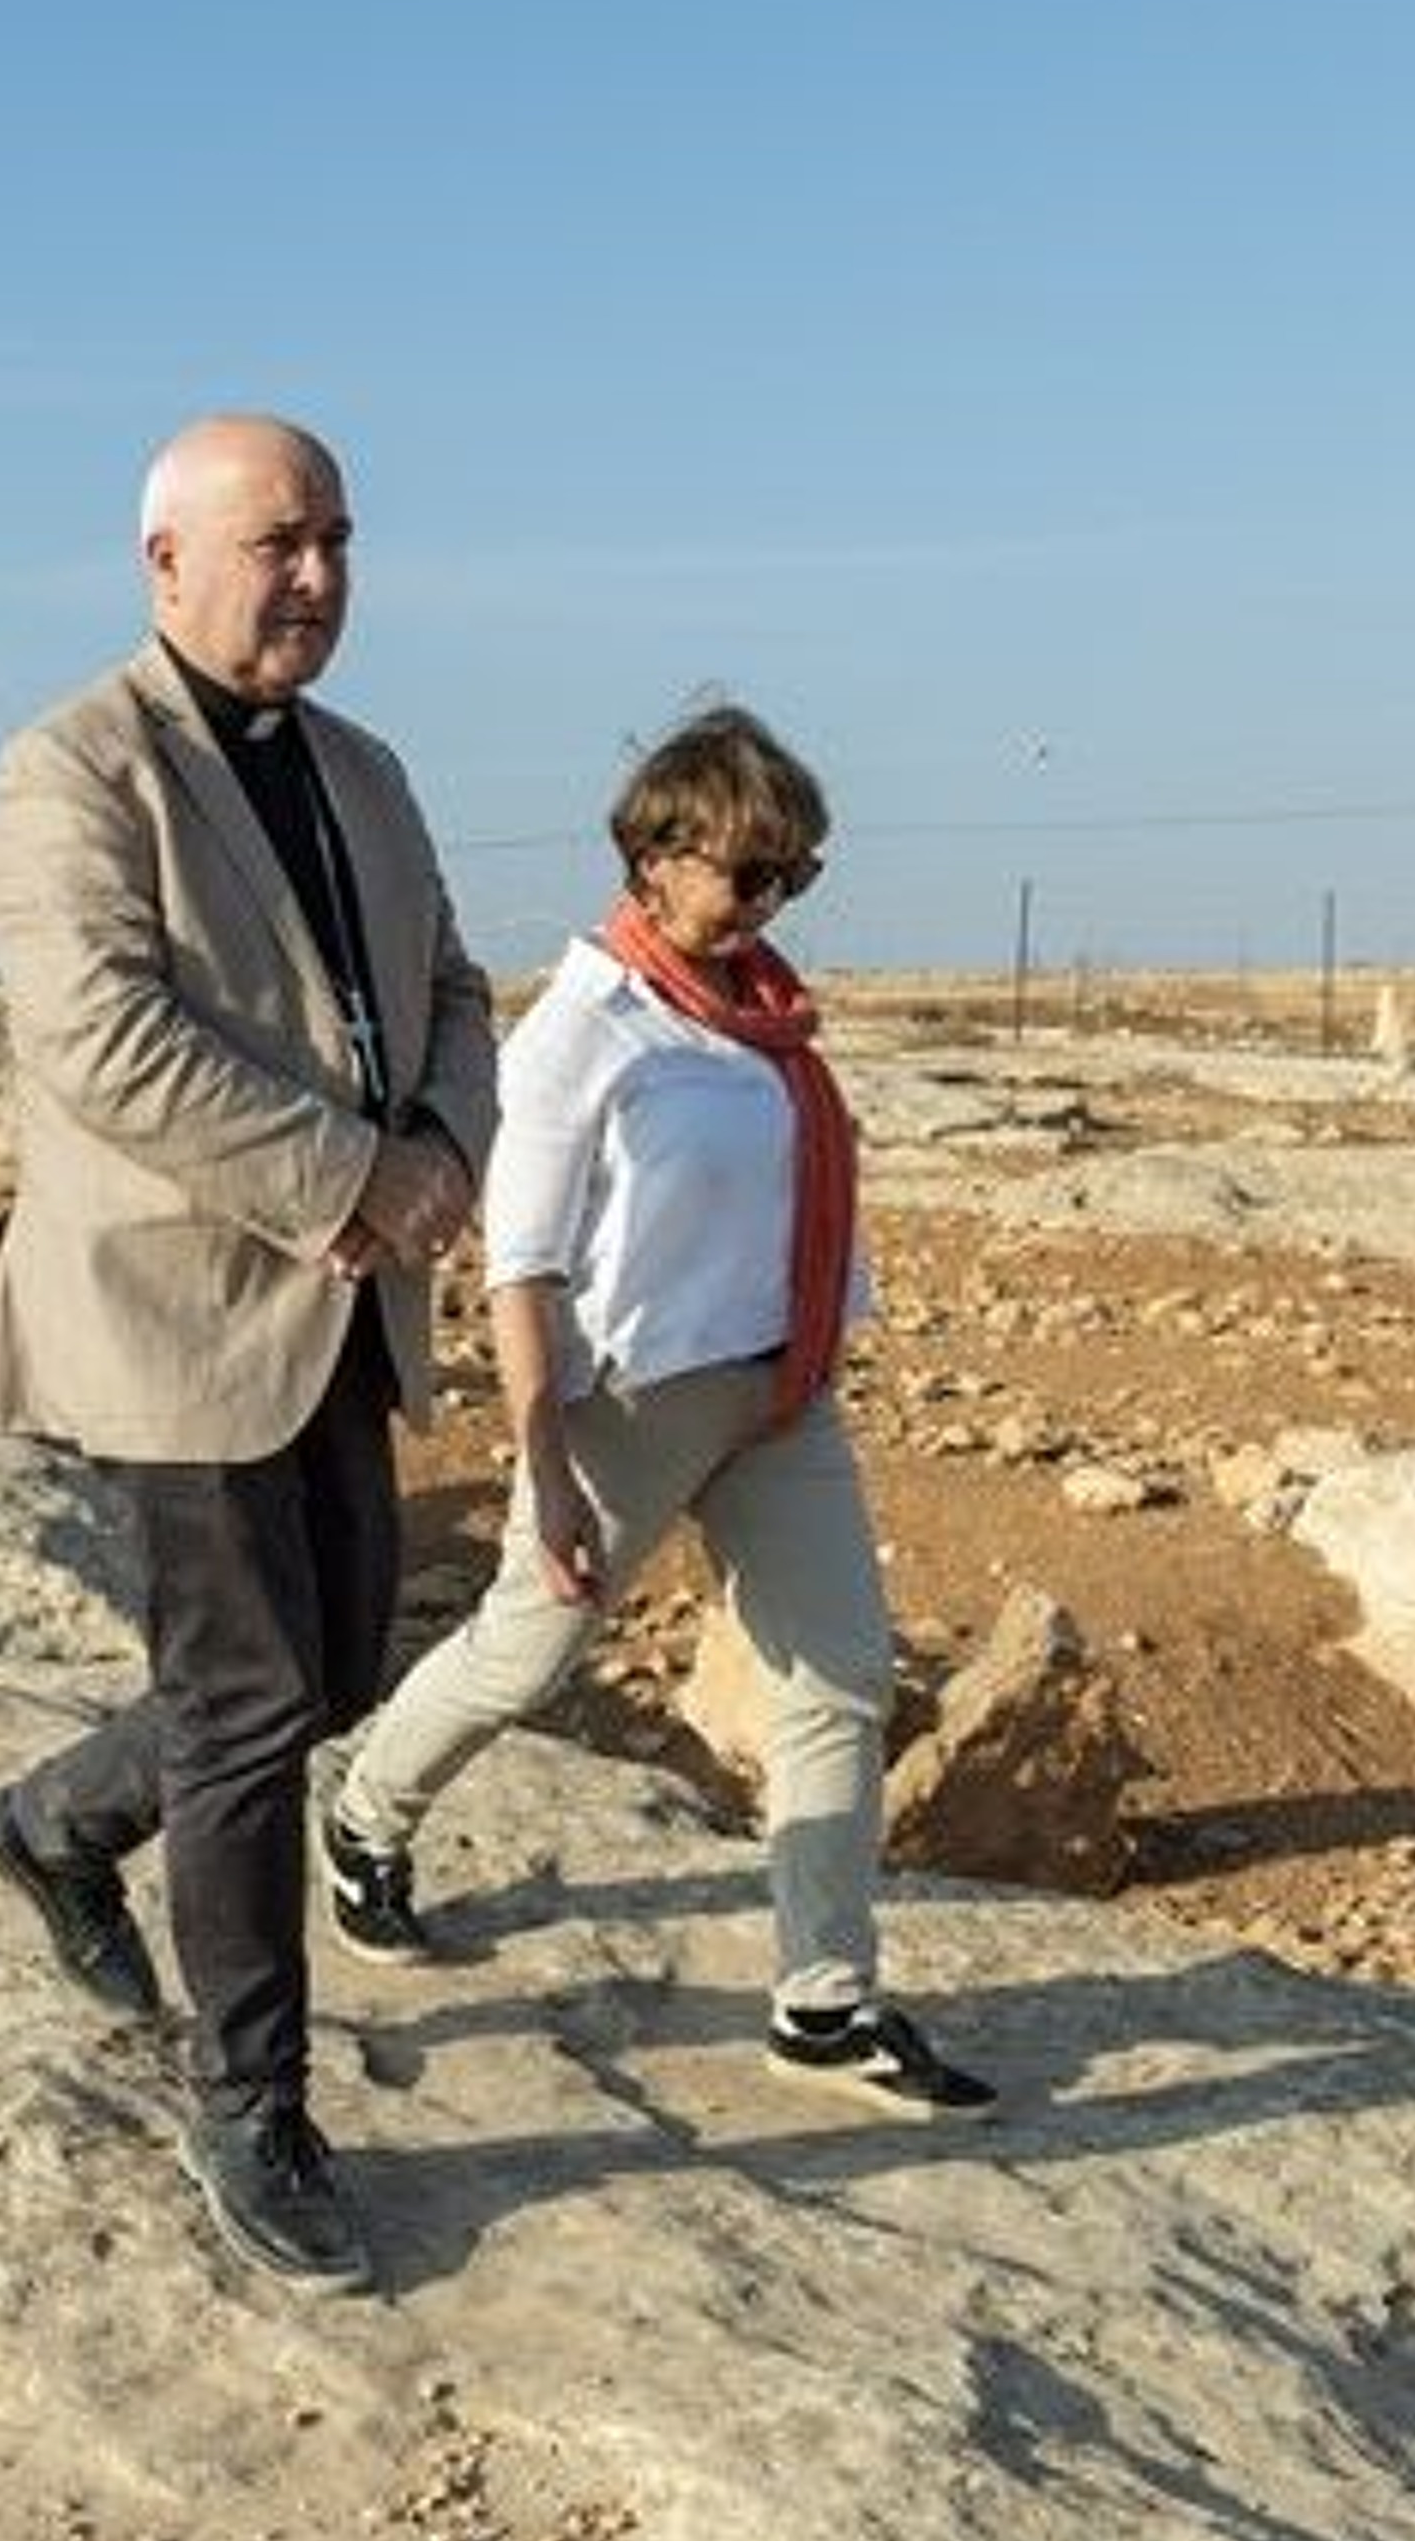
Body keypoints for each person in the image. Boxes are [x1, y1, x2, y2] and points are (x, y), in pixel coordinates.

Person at [0, 413, 499, 2295]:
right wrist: (356, 1176)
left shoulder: (364, 767)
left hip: (346, 1301)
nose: (319, 578)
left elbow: (448, 984)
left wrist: (440, 1150)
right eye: (280, 542)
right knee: (256, 1705)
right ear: (164, 562)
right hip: (171, 1312)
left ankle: (51, 1824)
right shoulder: (71, 769)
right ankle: (252, 2103)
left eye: (340, 540)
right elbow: (99, 1035)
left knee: (329, 1671)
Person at [318, 706, 995, 2119]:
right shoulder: (585, 1029)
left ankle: (824, 2004)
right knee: (528, 1653)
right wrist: (545, 1466)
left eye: (793, 878)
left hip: (781, 1390)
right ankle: (366, 1814)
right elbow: (520, 1262)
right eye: (749, 874)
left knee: (838, 1687)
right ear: (657, 857)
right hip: (628, 1404)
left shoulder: (766, 1021)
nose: (769, 905)